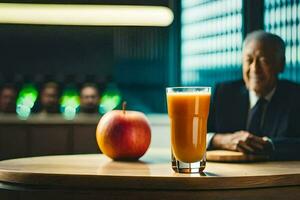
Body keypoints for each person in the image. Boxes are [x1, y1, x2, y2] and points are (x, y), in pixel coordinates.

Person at [207, 30, 300, 160]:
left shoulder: (296, 96)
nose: (255, 68)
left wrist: (268, 144)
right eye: (249, 60)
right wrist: (222, 140)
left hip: (280, 177)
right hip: (226, 176)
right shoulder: (222, 93)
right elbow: (195, 136)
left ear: (281, 64)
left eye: (264, 60)